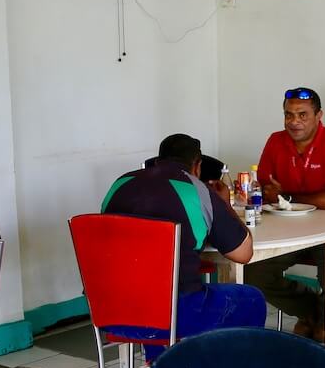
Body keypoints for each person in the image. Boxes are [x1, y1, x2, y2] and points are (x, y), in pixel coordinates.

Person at [103, 133, 266, 337]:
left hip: (109, 311)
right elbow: (243, 253)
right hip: (173, 313)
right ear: (197, 166)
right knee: (252, 299)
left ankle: (158, 365)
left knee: (151, 294)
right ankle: (226, 367)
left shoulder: (120, 183)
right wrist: (222, 202)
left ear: (157, 161)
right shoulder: (197, 190)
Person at [245, 86, 325, 342]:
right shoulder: (276, 141)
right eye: (288, 115)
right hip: (288, 227)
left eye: (302, 115)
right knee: (252, 272)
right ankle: (315, 313)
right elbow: (263, 189)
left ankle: (320, 319)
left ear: (319, 115)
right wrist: (268, 192)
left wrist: (286, 196)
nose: (294, 122)